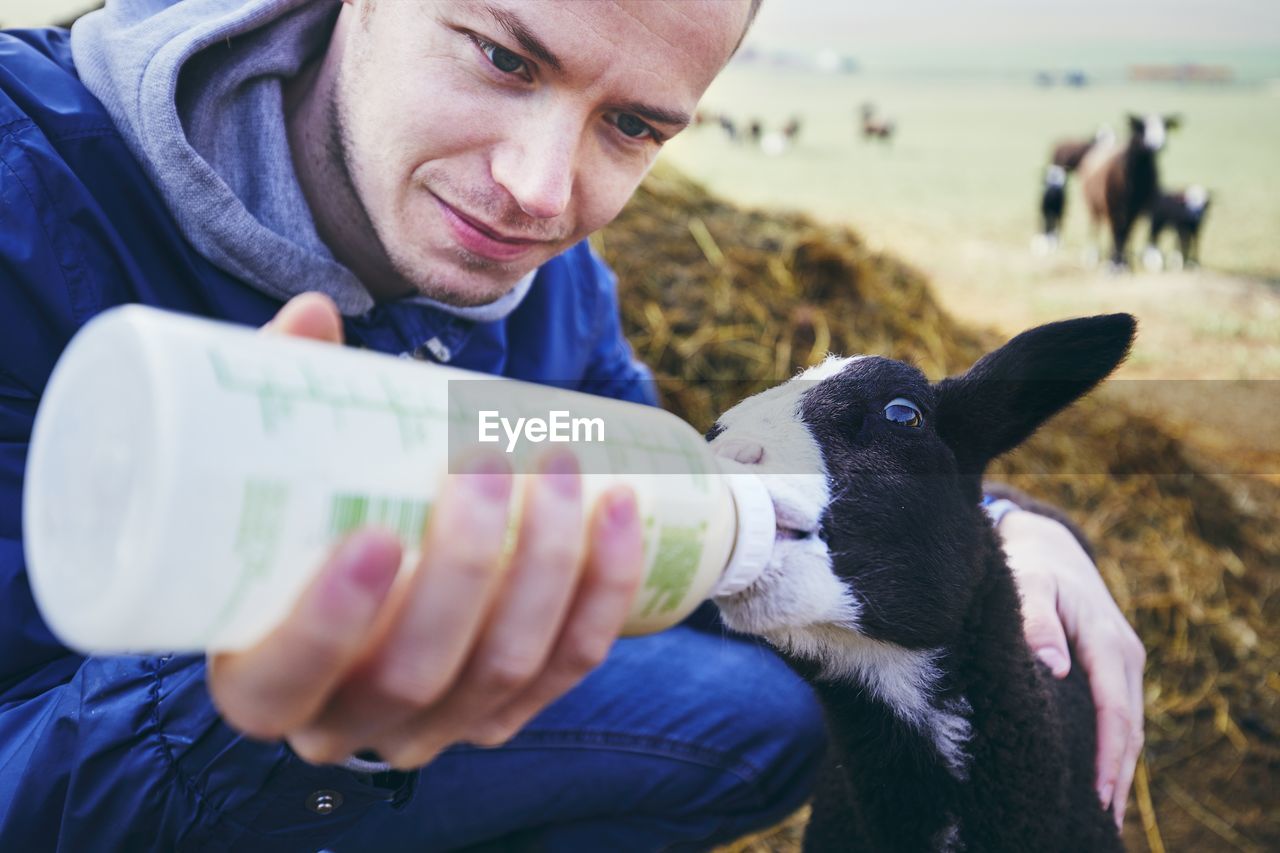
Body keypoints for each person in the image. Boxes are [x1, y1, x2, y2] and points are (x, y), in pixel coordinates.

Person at [0, 0, 1146, 849]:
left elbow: (697, 514)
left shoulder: (553, 282)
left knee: (765, 714)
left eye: (635, 127)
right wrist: (230, 710)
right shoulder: (23, 193)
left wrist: (989, 517)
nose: (543, 193)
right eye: (503, 57)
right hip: (96, 777)